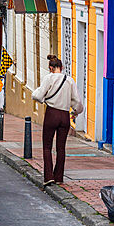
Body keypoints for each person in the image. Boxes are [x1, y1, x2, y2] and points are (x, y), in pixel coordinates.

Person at [32, 55, 82, 186]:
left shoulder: (48, 78)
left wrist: (42, 98)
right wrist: (75, 112)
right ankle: (59, 176)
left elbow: (37, 95)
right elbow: (77, 102)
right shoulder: (69, 80)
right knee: (61, 148)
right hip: (64, 116)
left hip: (52, 113)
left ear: (50, 68)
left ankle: (49, 176)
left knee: (47, 146)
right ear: (62, 67)